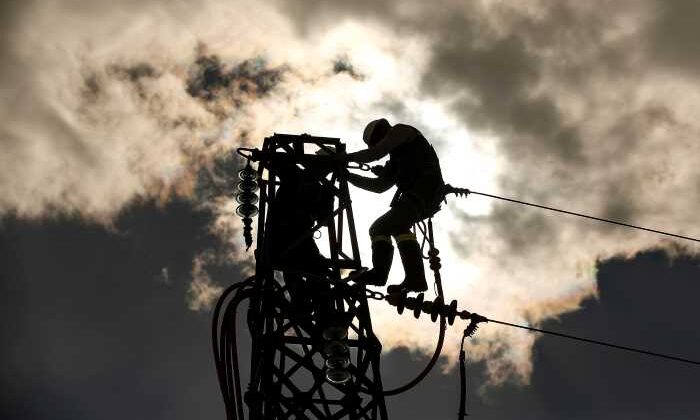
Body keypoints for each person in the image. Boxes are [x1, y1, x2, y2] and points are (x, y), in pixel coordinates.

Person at [340, 118, 445, 294]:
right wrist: (348, 176)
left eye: (376, 142)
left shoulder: (402, 131)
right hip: (423, 196)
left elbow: (376, 153)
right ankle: (415, 279)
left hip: (423, 192)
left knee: (380, 228)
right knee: (397, 228)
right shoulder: (396, 158)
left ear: (382, 132)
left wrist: (345, 158)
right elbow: (379, 186)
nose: (380, 144)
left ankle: (381, 275)